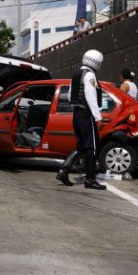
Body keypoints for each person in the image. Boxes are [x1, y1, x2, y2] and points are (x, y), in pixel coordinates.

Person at [55, 49, 107, 190]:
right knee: (93, 147)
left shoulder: (77, 73)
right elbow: (90, 96)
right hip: (86, 113)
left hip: (77, 113)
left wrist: (76, 107)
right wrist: (98, 117)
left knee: (81, 146)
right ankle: (90, 179)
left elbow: (69, 94)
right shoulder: (90, 75)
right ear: (96, 62)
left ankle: (63, 171)